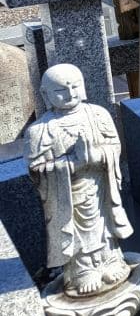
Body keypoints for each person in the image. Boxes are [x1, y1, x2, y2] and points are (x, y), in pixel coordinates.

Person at [24, 64, 132, 297]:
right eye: (61, 90)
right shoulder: (40, 131)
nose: (71, 94)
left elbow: (115, 146)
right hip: (67, 195)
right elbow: (36, 170)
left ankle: (110, 260)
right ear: (45, 94)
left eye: (75, 86)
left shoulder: (97, 114)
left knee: (105, 224)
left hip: (100, 184)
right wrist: (72, 164)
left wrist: (98, 156)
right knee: (77, 231)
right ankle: (83, 271)